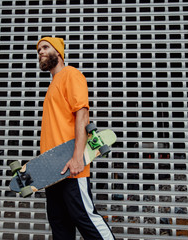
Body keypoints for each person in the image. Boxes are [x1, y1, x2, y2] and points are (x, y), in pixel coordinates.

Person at [37, 37, 116, 240]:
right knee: (59, 223)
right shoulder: (52, 85)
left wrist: (78, 156)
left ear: (59, 52)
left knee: (85, 217)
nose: (40, 52)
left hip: (72, 165)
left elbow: (82, 115)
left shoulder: (71, 75)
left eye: (45, 47)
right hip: (53, 170)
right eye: (38, 50)